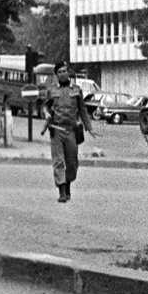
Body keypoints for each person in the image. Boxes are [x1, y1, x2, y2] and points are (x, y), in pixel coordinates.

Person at [43, 61, 93, 203]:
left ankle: (68, 184)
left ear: (68, 72)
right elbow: (45, 107)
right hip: (56, 129)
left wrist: (89, 127)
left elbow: (82, 110)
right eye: (59, 72)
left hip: (71, 130)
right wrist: (46, 114)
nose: (63, 74)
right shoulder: (51, 90)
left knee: (72, 162)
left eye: (64, 71)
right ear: (56, 75)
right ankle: (62, 191)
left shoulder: (76, 90)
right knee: (58, 160)